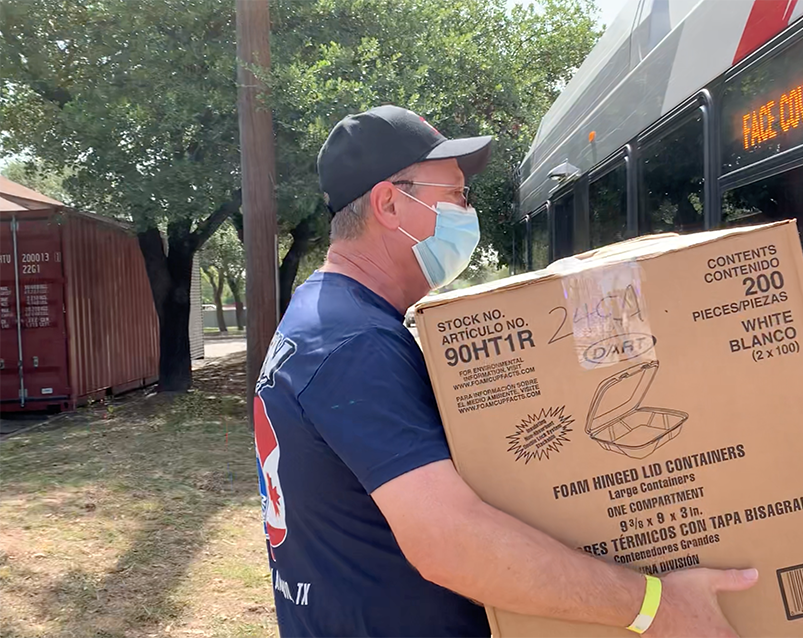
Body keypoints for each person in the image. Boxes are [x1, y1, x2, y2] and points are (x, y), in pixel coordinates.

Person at [253, 105, 758, 638]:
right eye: (455, 196)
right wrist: (658, 607)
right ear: (388, 204)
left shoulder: (323, 317)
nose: (467, 213)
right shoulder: (353, 344)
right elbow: (450, 543)